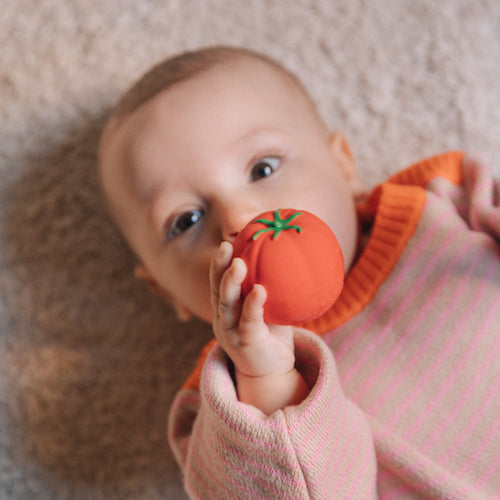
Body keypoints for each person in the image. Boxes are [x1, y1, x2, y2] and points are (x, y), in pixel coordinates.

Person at [98, 46, 500, 499]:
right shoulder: (225, 411)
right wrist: (267, 380)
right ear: (164, 291)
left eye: (263, 168)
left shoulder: (442, 200)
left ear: (343, 165)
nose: (239, 218)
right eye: (186, 220)